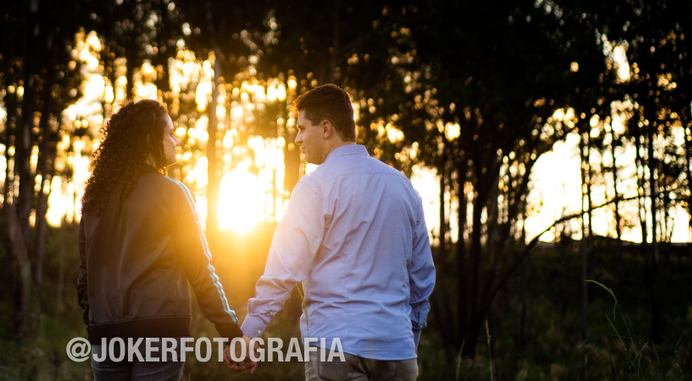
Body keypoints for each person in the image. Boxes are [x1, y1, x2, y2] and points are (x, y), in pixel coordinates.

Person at [239, 84, 435, 381]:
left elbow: (284, 269)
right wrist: (408, 336)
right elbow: (421, 276)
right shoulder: (402, 186)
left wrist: (250, 331)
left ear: (326, 128)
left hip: (337, 348)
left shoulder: (314, 187)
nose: (297, 139)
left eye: (303, 128)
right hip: (397, 350)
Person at [78, 98, 244, 381]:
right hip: (160, 333)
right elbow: (200, 271)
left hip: (105, 336)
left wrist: (98, 325)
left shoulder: (95, 200)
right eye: (169, 133)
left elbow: (84, 279)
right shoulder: (173, 194)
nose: (176, 140)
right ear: (148, 138)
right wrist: (231, 332)